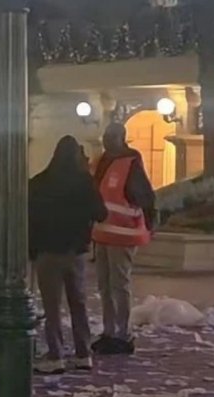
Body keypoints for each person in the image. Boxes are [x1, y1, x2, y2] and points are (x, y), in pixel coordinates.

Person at [30, 136, 109, 374]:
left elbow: (29, 216)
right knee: (78, 303)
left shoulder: (40, 183)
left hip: (47, 251)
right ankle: (83, 352)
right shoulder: (84, 182)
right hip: (75, 251)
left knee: (51, 306)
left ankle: (56, 354)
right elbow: (101, 213)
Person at [91, 123, 155, 356]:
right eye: (106, 136)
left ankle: (122, 332)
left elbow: (144, 197)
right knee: (105, 285)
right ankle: (109, 331)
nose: (107, 140)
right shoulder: (101, 161)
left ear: (122, 138)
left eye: (111, 137)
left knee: (119, 285)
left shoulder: (130, 162)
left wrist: (150, 222)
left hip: (123, 234)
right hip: (102, 233)